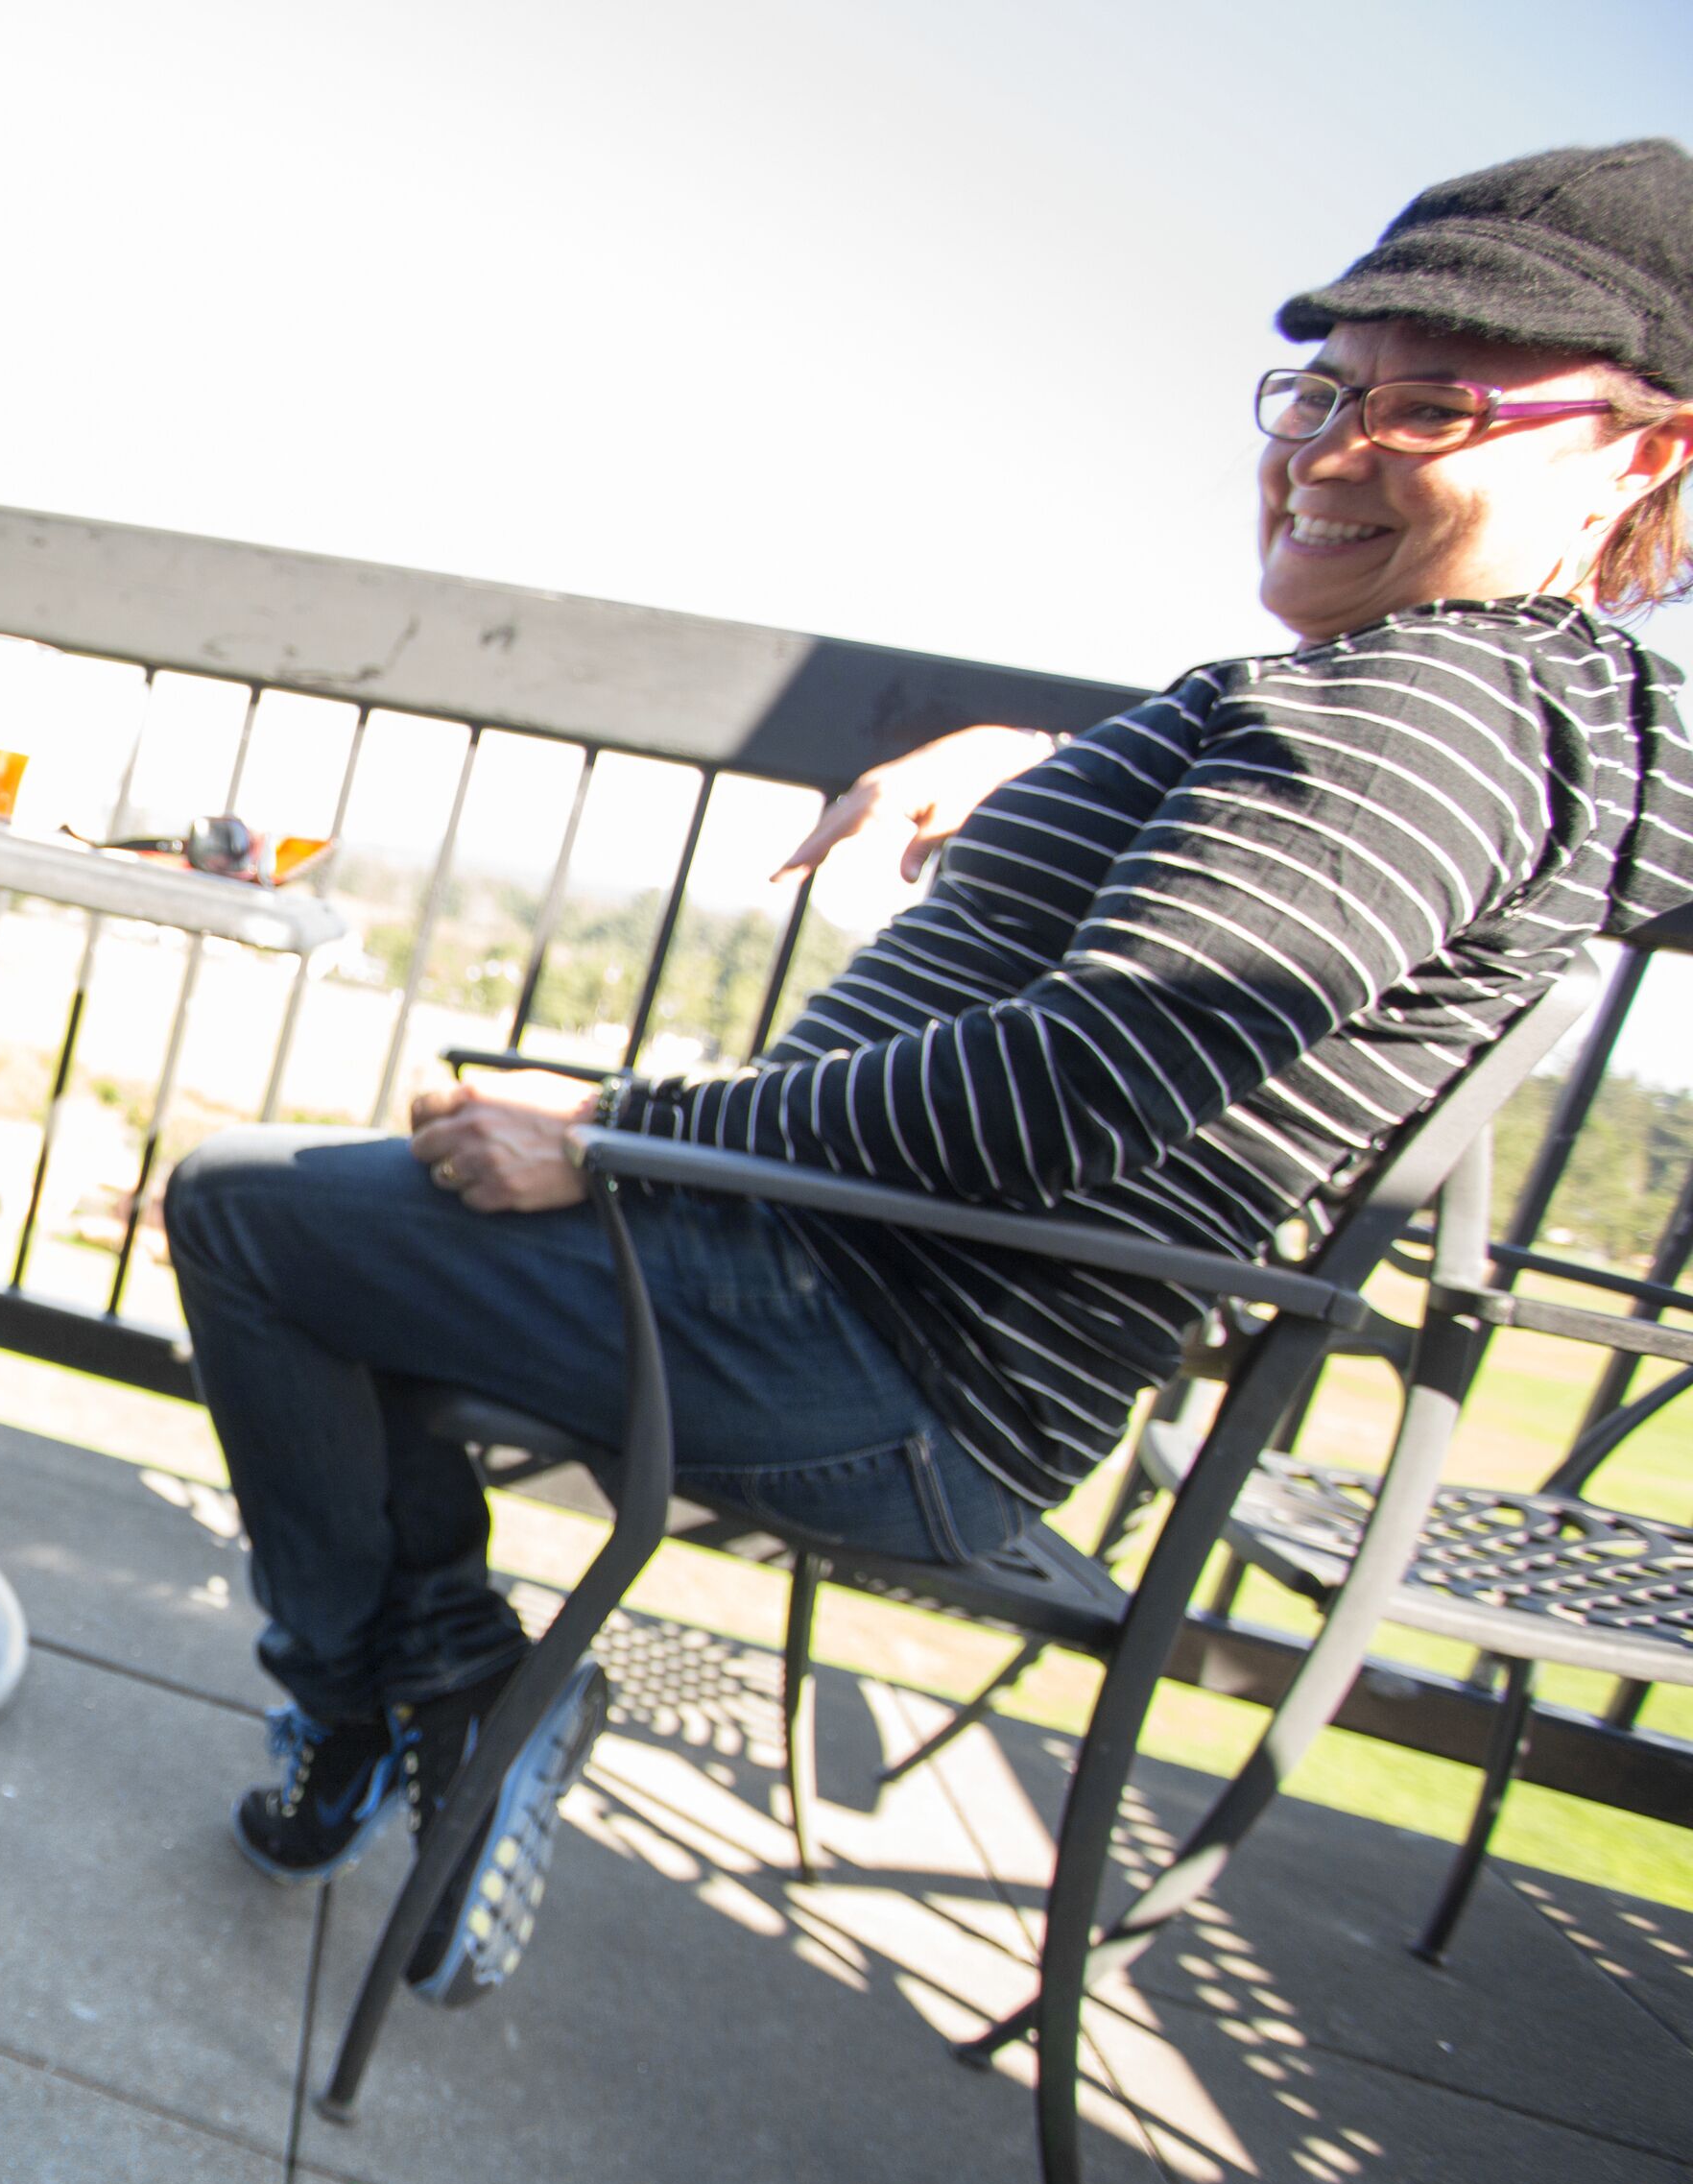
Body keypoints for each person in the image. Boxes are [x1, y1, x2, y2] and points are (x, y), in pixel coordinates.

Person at [166, 139, 1693, 1993]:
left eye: (1437, 406)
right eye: (1324, 388)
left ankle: (405, 1692)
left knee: (250, 1215)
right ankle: (438, 1685)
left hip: (879, 1353)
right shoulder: (1524, 711)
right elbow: (1270, 871)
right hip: (882, 1311)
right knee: (371, 1240)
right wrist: (1051, 761)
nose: (1334, 447)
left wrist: (621, 1138)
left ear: (1642, 451)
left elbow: (1084, 1080)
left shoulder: (1425, 705)